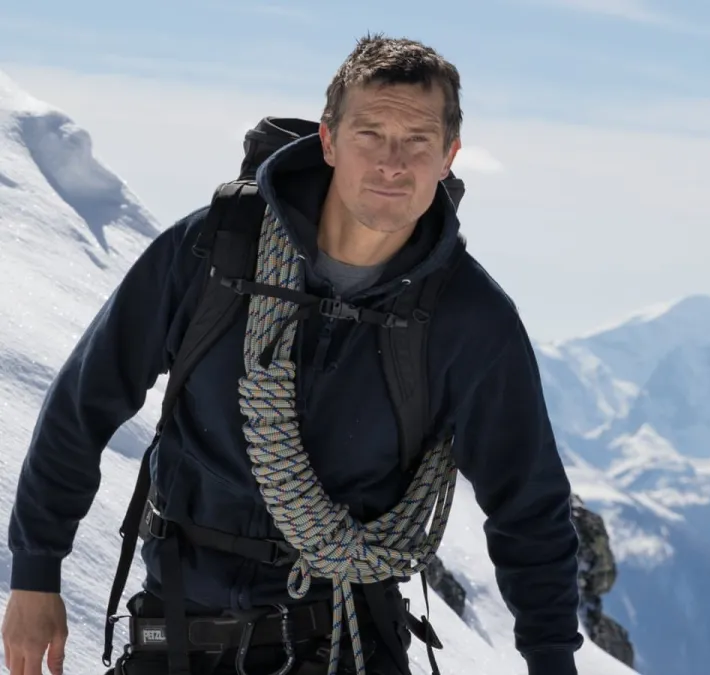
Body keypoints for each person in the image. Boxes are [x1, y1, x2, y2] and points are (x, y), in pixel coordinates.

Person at [2, 34, 584, 675]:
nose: (393, 162)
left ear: (449, 156)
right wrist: (36, 574)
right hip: (178, 635)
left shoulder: (469, 320)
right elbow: (85, 402)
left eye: (418, 140)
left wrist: (551, 658)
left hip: (343, 643)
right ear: (329, 141)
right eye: (370, 134)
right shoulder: (216, 251)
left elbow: (527, 503)